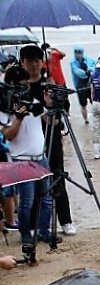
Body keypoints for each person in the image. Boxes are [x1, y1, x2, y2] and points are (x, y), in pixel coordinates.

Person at [22, 43, 76, 237]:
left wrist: (53, 101)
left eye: (37, 60)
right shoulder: (20, 86)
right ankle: (35, 224)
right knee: (33, 182)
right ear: (23, 62)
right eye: (29, 61)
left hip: (52, 136)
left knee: (58, 175)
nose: (34, 64)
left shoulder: (50, 82)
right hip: (28, 142)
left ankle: (66, 220)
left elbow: (64, 110)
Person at [0, 64, 53, 257]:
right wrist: (19, 117)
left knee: (47, 199)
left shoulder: (33, 101)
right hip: (21, 160)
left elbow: (51, 122)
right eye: (20, 85)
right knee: (27, 201)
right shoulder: (5, 107)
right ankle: (26, 236)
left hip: (41, 157)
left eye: (26, 85)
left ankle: (44, 232)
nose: (24, 89)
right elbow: (9, 135)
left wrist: (48, 104)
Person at [70, 46, 95, 123]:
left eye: (80, 53)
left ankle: (96, 118)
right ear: (74, 53)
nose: (79, 55)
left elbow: (95, 64)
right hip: (80, 85)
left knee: (94, 102)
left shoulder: (88, 59)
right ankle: (86, 120)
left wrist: (90, 69)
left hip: (90, 83)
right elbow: (77, 72)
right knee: (83, 104)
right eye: (77, 53)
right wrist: (86, 72)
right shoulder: (73, 62)